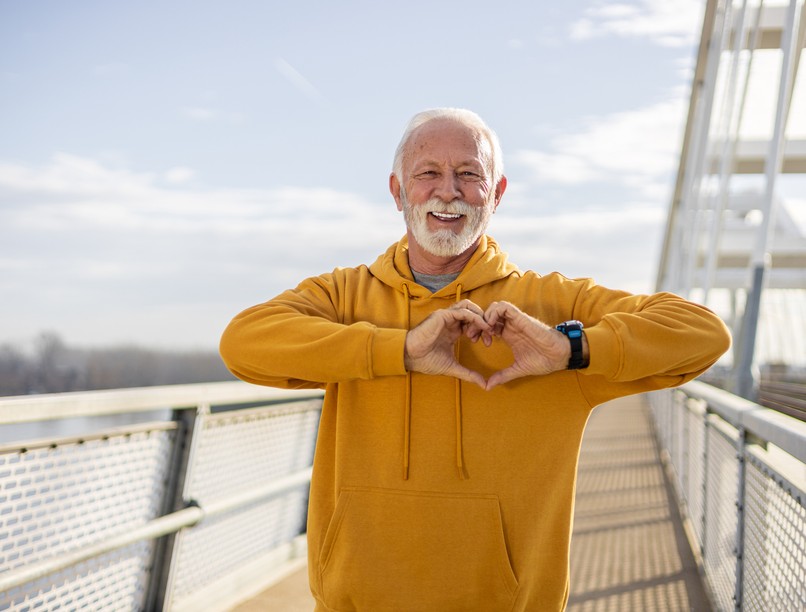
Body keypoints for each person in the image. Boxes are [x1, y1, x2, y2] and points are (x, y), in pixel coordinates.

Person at [219, 108, 731, 611]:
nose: (448, 191)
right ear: (398, 191)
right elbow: (243, 343)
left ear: (497, 194)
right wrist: (396, 349)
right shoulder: (346, 297)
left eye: (470, 174)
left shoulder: (550, 306)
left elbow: (703, 332)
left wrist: (570, 349)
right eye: (428, 174)